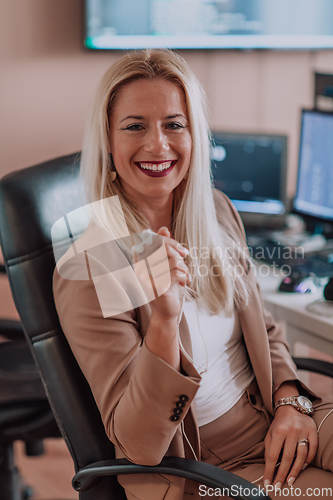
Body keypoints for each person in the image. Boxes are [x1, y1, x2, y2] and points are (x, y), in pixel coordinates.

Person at [53, 49, 333, 500]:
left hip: (270, 410)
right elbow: (139, 443)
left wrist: (290, 402)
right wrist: (163, 322)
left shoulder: (215, 212)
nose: (157, 145)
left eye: (173, 124)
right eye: (134, 126)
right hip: (197, 464)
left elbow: (264, 329)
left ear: (195, 133)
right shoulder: (91, 266)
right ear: (107, 139)